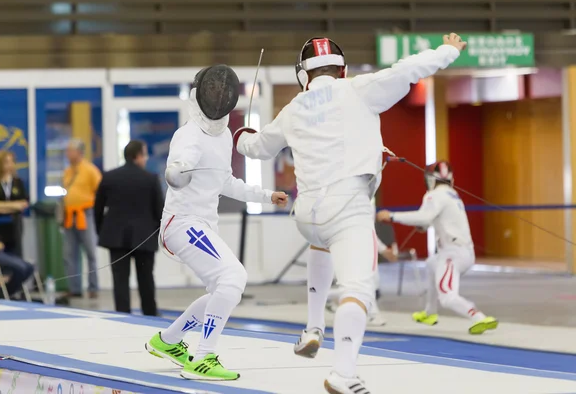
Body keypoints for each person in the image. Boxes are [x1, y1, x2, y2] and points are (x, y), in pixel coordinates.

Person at [235, 34, 465, 393]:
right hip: (347, 208)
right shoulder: (359, 89)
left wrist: (241, 135)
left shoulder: (294, 107)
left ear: (303, 76)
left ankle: (313, 327)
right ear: (341, 70)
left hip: (308, 216)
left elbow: (256, 147)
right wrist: (449, 50)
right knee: (359, 290)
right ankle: (343, 373)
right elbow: (410, 69)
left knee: (322, 243)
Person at [144, 64, 288, 381]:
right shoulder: (187, 135)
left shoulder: (222, 136)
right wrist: (176, 172)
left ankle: (167, 340)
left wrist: (267, 195)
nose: (218, 96)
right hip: (182, 223)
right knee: (233, 276)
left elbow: (226, 182)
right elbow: (180, 165)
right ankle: (203, 357)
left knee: (221, 288)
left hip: (203, 224)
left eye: (222, 92)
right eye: (213, 91)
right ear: (200, 95)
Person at [377, 161, 498, 335]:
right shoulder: (452, 195)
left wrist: (392, 216)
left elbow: (423, 217)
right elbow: (432, 220)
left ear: (430, 179)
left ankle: (479, 317)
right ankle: (429, 313)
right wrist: (424, 225)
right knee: (431, 264)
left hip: (453, 254)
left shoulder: (434, 195)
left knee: (447, 297)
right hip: (460, 252)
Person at [94, 140, 163, 316]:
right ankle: (150, 314)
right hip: (144, 237)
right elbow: (160, 210)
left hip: (116, 238)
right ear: (138, 156)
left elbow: (98, 208)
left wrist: (102, 230)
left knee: (120, 281)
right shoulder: (150, 179)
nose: (145, 159)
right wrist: (156, 230)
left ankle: (123, 316)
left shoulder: (109, 177)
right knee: (146, 279)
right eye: (144, 154)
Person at [62, 138, 102, 299]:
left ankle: (93, 287)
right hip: (70, 216)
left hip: (85, 214)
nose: (67, 154)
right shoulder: (67, 171)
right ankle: (75, 288)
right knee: (69, 254)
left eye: (70, 150)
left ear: (79, 152)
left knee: (90, 252)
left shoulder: (90, 170)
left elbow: (100, 191)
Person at [0, 151, 29, 257]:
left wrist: (1, 206)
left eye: (11, 162)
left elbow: (23, 204)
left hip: (15, 223)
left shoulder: (18, 182)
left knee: (16, 252)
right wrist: (14, 206)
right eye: (6, 162)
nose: (9, 165)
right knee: (0, 252)